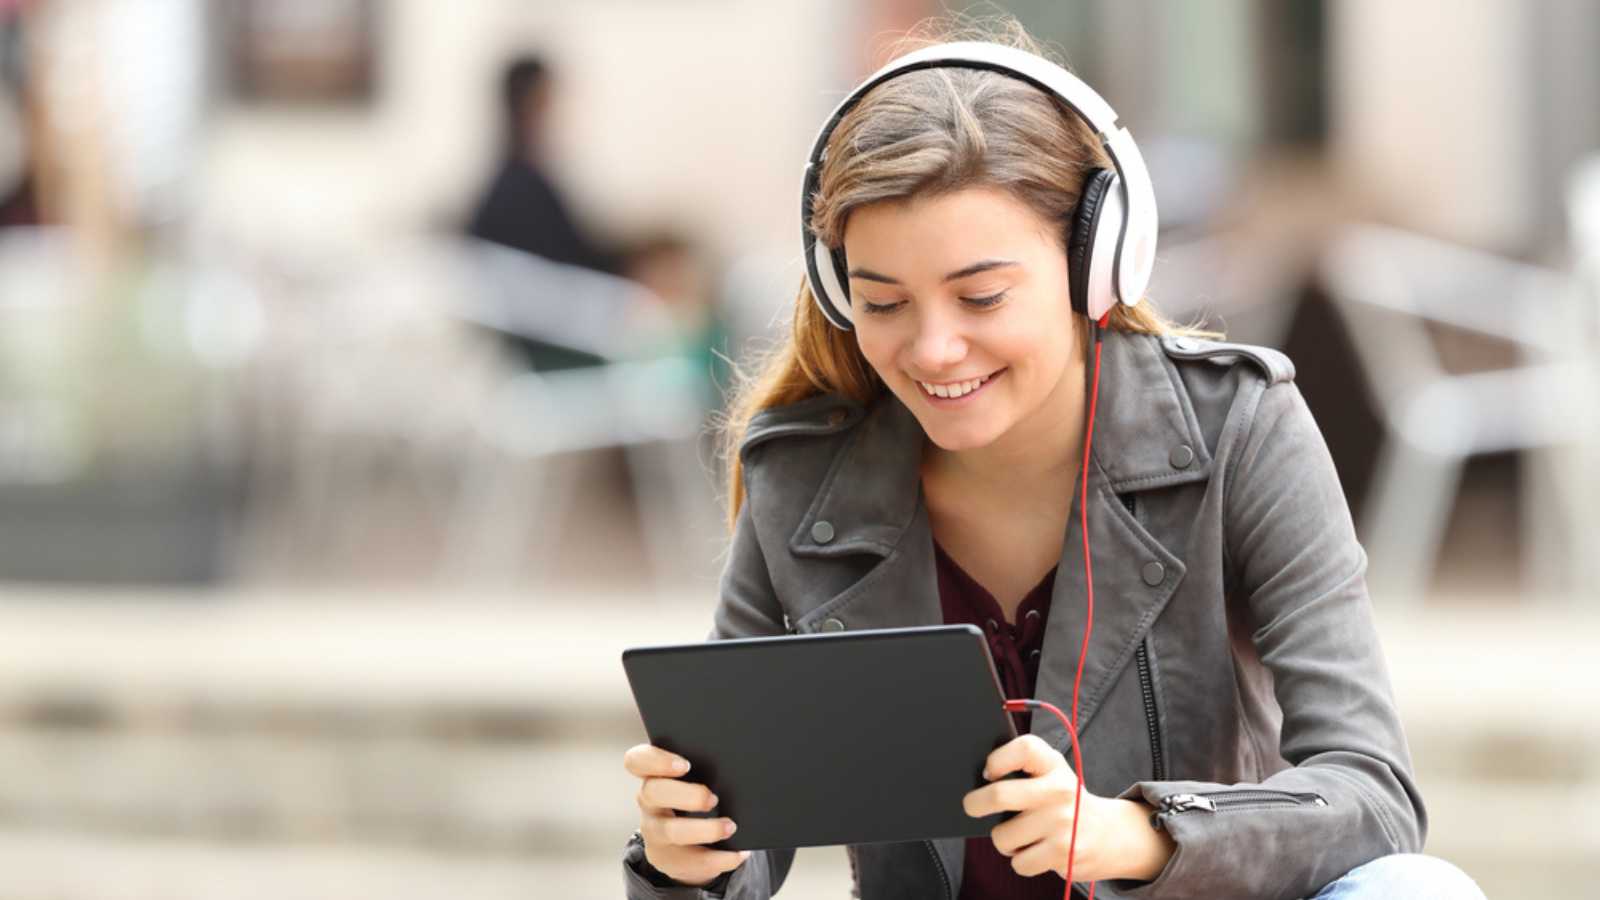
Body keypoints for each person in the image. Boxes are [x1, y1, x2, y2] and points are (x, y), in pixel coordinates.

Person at [621, 19, 1486, 900]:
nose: (933, 348)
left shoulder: (1242, 428)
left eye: (981, 295)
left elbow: (1373, 797)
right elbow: (752, 824)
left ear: (1095, 267)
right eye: (883, 302)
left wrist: (1139, 833)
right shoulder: (802, 476)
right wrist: (685, 859)